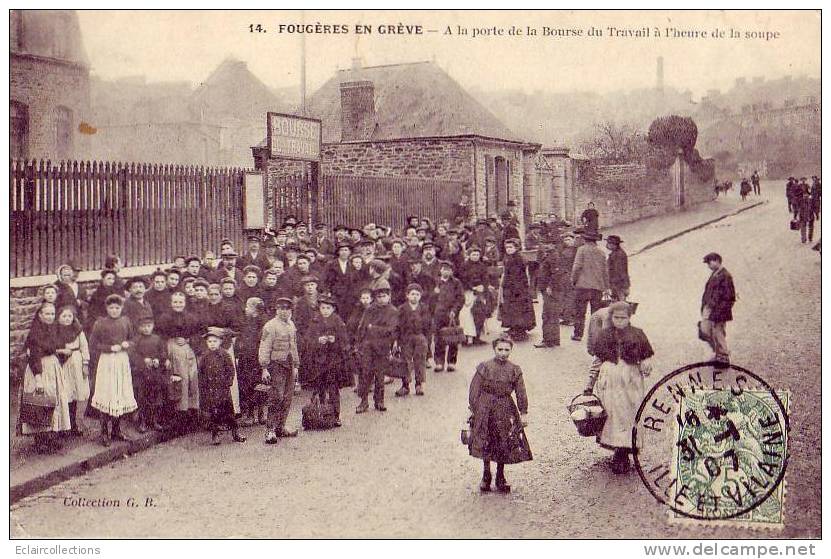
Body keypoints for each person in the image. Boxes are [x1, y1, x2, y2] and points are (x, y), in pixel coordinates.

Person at [583, 301, 654, 474]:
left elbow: (645, 357)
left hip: (631, 380)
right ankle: (619, 452)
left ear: (629, 318)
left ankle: (627, 447)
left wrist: (645, 363)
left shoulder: (638, 334)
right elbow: (597, 360)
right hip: (610, 381)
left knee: (630, 414)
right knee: (613, 415)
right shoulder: (604, 335)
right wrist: (589, 384)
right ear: (611, 317)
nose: (620, 321)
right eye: (616, 317)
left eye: (624, 318)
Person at [467, 334, 531, 493]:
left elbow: (521, 392)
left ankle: (501, 476)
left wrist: (523, 412)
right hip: (485, 408)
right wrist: (473, 410)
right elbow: (474, 389)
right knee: (486, 440)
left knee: (503, 442)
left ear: (511, 350)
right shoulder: (484, 367)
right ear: (494, 349)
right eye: (500, 349)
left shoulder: (514, 369)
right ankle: (486, 475)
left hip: (504, 409)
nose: (503, 353)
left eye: (506, 350)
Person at [19, 302, 71, 452]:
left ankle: (50, 437)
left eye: (52, 314)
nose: (50, 317)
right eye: (47, 314)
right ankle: (40, 439)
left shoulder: (54, 329)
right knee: (41, 401)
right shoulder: (35, 332)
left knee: (53, 401)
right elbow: (34, 356)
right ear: (40, 315)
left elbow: (54, 347)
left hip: (53, 366)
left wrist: (61, 351)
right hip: (40, 369)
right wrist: (38, 379)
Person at [89, 295, 137, 446]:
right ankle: (104, 432)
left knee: (120, 393)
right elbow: (94, 344)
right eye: (111, 308)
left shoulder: (126, 321)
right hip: (107, 361)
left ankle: (116, 430)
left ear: (121, 308)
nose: (114, 310)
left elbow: (133, 339)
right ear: (106, 308)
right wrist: (109, 348)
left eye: (117, 308)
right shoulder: (100, 323)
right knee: (107, 394)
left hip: (122, 361)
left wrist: (127, 344)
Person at [155, 291, 201, 432]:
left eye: (180, 302)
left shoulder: (191, 317)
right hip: (172, 351)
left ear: (185, 303)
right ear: (171, 303)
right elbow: (160, 338)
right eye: (175, 302)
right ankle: (178, 419)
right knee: (178, 383)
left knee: (191, 381)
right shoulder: (165, 318)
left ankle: (192, 417)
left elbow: (198, 333)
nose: (178, 305)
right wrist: (165, 357)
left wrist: (188, 339)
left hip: (188, 350)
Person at [259, 297, 300, 443]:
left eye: (287, 309)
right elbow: (264, 346)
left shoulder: (291, 325)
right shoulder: (270, 326)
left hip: (289, 364)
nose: (284, 312)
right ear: (276, 310)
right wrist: (264, 368)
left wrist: (296, 366)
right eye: (281, 309)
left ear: (290, 311)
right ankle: (270, 430)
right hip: (276, 365)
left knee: (287, 397)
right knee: (276, 397)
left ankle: (280, 427)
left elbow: (293, 346)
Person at [304, 295, 350, 427]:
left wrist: (334, 340)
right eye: (322, 308)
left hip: (333, 361)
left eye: (328, 308)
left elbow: (345, 342)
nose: (325, 310)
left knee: (333, 388)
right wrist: (318, 341)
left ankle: (335, 415)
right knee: (319, 387)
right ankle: (320, 414)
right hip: (318, 361)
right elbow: (308, 339)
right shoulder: (315, 321)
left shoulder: (338, 321)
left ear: (333, 309)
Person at [355, 281, 399, 414]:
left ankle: (379, 401)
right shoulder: (370, 309)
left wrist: (373, 328)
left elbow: (391, 330)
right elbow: (362, 327)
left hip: (383, 347)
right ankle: (363, 401)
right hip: (368, 346)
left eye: (384, 296)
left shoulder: (393, 311)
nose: (381, 299)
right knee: (365, 374)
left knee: (380, 375)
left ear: (389, 296)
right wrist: (359, 344)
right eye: (379, 296)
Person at [199, 331, 246, 445]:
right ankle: (216, 434)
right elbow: (201, 373)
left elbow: (231, 370)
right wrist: (204, 386)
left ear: (220, 342)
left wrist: (228, 382)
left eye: (215, 341)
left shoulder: (224, 354)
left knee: (229, 413)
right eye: (209, 342)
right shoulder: (205, 356)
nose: (212, 344)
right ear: (206, 343)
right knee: (214, 414)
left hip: (223, 390)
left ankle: (235, 432)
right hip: (211, 390)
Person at [128, 315, 169, 432]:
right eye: (143, 326)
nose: (146, 329)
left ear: (153, 326)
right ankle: (142, 422)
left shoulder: (157, 339)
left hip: (155, 374)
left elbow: (162, 353)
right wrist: (143, 361)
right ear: (139, 327)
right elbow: (132, 355)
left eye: (148, 326)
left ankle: (154, 421)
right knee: (142, 399)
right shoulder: (136, 340)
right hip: (141, 375)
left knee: (155, 398)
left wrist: (159, 360)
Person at [55, 305, 90, 437]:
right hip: (62, 364)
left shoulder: (78, 331)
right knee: (65, 394)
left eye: (69, 316)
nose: (67, 318)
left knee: (77, 394)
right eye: (64, 316)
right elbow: (51, 347)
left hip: (76, 362)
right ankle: (65, 426)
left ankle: (74, 425)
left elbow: (84, 347)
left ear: (74, 317)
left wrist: (85, 364)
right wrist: (61, 352)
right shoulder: (55, 331)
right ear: (58, 318)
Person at [570, 232, 609, 341]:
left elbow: (576, 267)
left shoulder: (581, 250)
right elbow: (605, 271)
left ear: (585, 240)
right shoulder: (601, 252)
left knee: (579, 312)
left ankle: (578, 334)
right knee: (595, 313)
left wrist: (573, 280)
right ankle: (595, 335)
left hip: (582, 286)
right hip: (597, 287)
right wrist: (606, 287)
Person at [395, 283, 432, 397]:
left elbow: (428, 325)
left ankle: (419, 384)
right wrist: (396, 341)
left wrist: (427, 340)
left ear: (420, 296)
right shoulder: (402, 309)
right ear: (407, 295)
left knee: (420, 360)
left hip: (420, 337)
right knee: (405, 361)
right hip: (406, 338)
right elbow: (397, 326)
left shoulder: (424, 308)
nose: (415, 296)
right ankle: (405, 385)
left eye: (417, 294)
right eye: (412, 294)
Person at [699, 253, 736, 365]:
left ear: (716, 261)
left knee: (718, 332)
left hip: (719, 311)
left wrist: (719, 312)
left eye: (709, 263)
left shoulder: (725, 275)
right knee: (707, 331)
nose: (708, 266)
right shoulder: (715, 274)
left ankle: (724, 357)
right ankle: (718, 354)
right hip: (711, 309)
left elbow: (729, 297)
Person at [236, 297, 268, 425]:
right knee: (248, 385)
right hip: (246, 358)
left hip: (257, 358)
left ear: (255, 310)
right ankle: (251, 414)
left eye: (248, 306)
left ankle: (260, 413)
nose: (245, 309)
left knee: (260, 385)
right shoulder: (246, 321)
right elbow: (241, 338)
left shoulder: (263, 323)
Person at [499, 238, 535, 340]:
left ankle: (520, 330)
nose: (508, 249)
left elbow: (518, 275)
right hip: (510, 287)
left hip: (518, 288)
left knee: (519, 308)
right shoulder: (508, 257)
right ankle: (513, 327)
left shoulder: (519, 258)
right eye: (507, 247)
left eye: (511, 247)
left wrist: (514, 287)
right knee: (511, 308)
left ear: (516, 247)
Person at [432, 260, 465, 372]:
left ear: (451, 271)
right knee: (438, 339)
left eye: (448, 269)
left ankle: (451, 362)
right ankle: (439, 362)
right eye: (443, 269)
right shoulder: (436, 282)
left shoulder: (456, 283)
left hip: (452, 315)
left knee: (453, 338)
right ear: (440, 270)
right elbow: (430, 299)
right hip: (438, 314)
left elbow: (460, 298)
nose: (445, 271)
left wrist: (455, 310)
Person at [534, 243, 564, 348]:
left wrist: (550, 286)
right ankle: (554, 339)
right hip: (549, 289)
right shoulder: (549, 255)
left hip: (551, 290)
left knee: (548, 315)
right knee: (552, 315)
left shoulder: (553, 257)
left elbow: (556, 273)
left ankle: (548, 340)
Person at [606, 235, 630, 301]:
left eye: (609, 243)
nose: (607, 245)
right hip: (619, 283)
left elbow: (619, 270)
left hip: (618, 284)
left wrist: (612, 283)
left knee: (619, 303)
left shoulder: (618, 254)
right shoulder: (617, 253)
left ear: (614, 244)